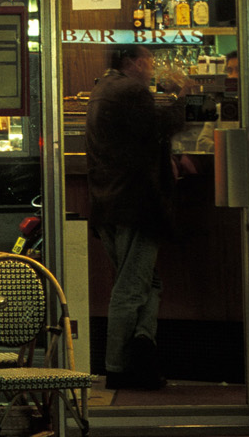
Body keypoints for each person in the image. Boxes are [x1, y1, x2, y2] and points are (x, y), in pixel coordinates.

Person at [86, 44, 194, 390]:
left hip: (108, 201)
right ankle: (117, 366)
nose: (151, 66)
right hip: (135, 202)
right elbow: (164, 125)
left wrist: (169, 159)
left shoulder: (103, 87)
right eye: (147, 60)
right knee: (131, 288)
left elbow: (136, 141)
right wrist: (186, 94)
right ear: (131, 62)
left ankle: (142, 350)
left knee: (147, 283)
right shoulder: (132, 89)